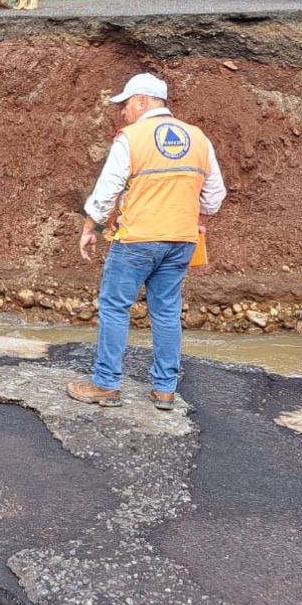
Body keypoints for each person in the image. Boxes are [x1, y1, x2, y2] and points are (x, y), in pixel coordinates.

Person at [69, 73, 226, 411]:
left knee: (115, 306)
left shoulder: (132, 137)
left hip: (137, 239)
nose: (123, 112)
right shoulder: (199, 138)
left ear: (142, 101)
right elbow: (214, 198)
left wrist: (89, 230)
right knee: (167, 312)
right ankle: (165, 390)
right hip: (182, 240)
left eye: (125, 105)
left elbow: (106, 192)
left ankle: (107, 384)